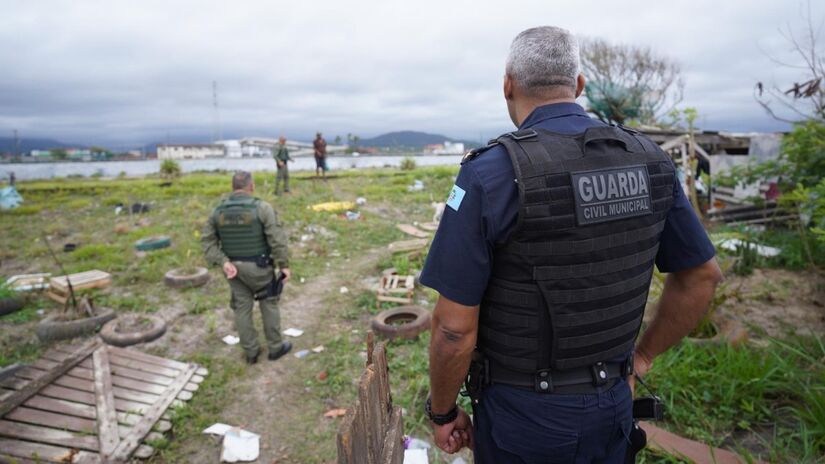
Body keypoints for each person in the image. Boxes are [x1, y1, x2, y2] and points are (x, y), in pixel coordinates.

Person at [420, 26, 722, 463]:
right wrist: (641, 359)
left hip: (523, 418)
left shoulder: (491, 173)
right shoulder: (650, 160)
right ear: (579, 85)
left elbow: (452, 329)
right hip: (614, 404)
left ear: (508, 84)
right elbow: (702, 277)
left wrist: (442, 411)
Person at [201, 171, 293, 364]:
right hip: (260, 268)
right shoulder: (262, 208)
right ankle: (275, 347)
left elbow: (207, 243)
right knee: (268, 303)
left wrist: (224, 262)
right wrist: (283, 265)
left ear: (233, 187)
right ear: (251, 187)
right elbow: (277, 239)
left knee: (242, 308)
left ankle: (251, 352)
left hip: (233, 270)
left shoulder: (218, 212)